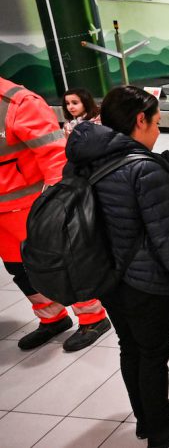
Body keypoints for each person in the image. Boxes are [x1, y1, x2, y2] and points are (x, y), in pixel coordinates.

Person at [64, 85, 169, 446]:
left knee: (131, 347)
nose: (158, 131)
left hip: (107, 275)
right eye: (156, 122)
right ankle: (160, 430)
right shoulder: (144, 168)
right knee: (154, 353)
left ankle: (148, 416)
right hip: (146, 281)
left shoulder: (85, 156)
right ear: (140, 120)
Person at [0, 77, 112, 353]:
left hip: (31, 207)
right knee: (18, 270)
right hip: (3, 215)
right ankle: (52, 318)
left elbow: (54, 155)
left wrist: (56, 204)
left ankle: (93, 317)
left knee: (61, 264)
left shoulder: (17, 102)